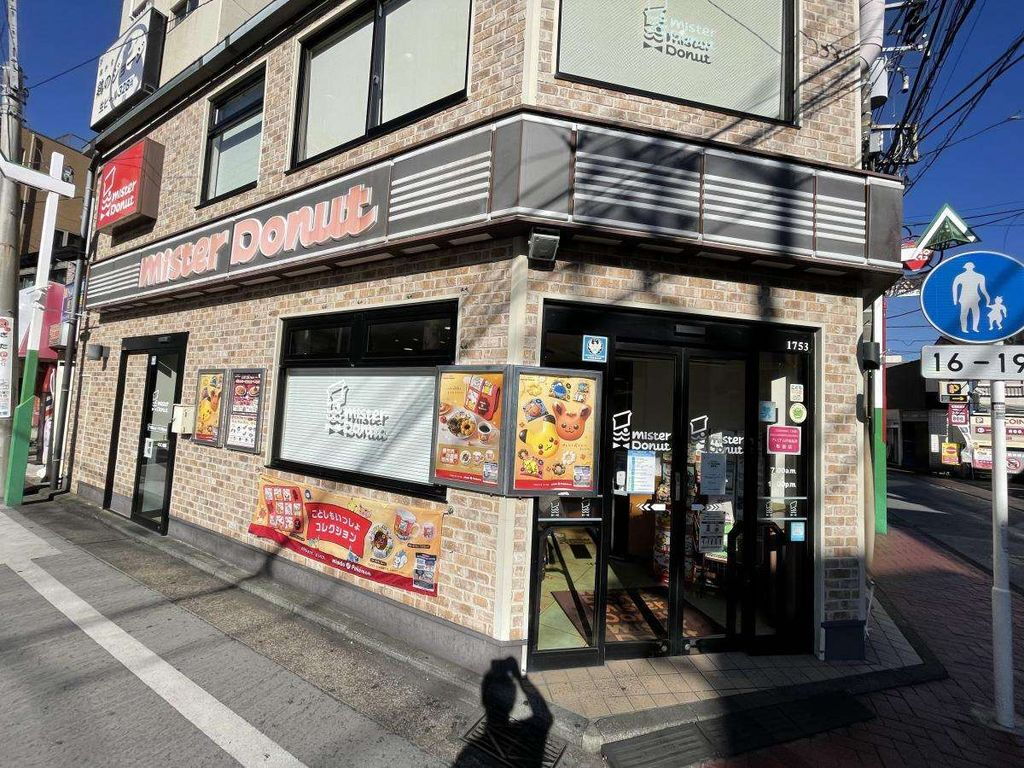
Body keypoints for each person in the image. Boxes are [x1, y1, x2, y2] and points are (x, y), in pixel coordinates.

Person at [453, 657, 553, 767]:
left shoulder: (469, 754)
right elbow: (544, 717)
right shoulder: (469, 753)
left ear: (485, 701)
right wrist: (521, 678)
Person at [951, 261, 990, 333]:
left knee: (974, 313)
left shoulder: (980, 276)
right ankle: (965, 329)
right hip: (964, 298)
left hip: (974, 298)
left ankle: (974, 328)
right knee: (966, 314)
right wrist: (955, 300)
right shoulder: (960, 276)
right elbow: (954, 288)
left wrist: (987, 297)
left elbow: (983, 289)